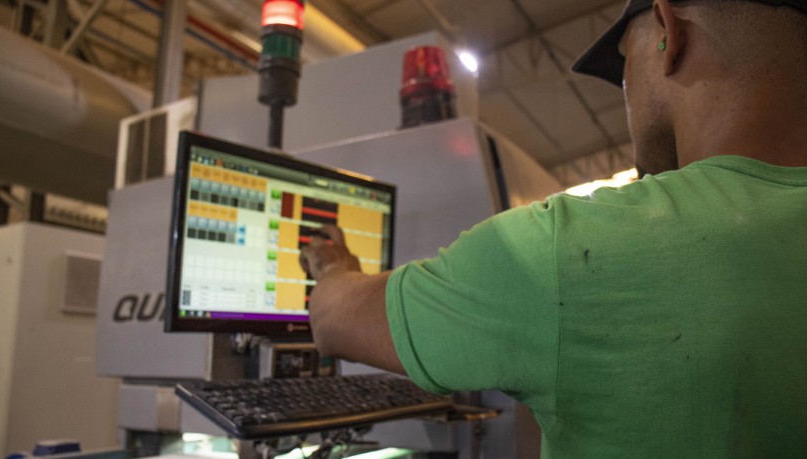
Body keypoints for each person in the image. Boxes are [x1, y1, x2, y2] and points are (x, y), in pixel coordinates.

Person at [299, 0, 807, 456]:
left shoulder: (574, 249)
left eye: (624, 72)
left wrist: (333, 266)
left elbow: (333, 319)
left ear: (667, 33)